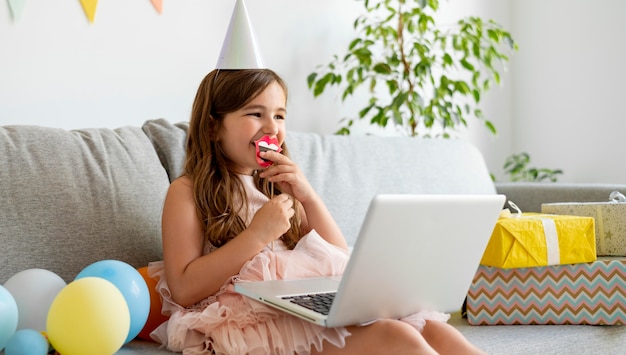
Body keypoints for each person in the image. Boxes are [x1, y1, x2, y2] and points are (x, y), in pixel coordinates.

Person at [148, 68, 486, 355]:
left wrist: (308, 198)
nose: (272, 127)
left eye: (279, 115)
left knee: (433, 328)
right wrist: (257, 235)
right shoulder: (188, 192)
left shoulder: (275, 187)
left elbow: (340, 256)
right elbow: (184, 288)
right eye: (255, 114)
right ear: (212, 127)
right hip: (248, 324)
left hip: (305, 309)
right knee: (397, 337)